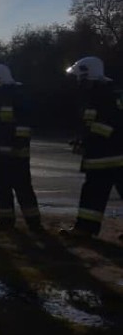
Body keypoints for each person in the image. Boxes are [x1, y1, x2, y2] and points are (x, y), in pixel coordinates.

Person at [60, 56, 123, 239]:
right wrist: (82, 140)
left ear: (88, 74)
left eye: (80, 77)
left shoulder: (106, 93)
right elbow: (92, 124)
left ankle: (85, 229)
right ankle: (85, 228)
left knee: (93, 192)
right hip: (101, 154)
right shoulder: (98, 93)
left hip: (111, 154)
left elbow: (109, 124)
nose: (78, 81)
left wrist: (87, 141)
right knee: (92, 193)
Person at [0, 64, 42, 231]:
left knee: (23, 188)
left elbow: (25, 125)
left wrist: (18, 145)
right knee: (0, 189)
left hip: (16, 155)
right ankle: (6, 222)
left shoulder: (17, 96)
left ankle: (34, 223)